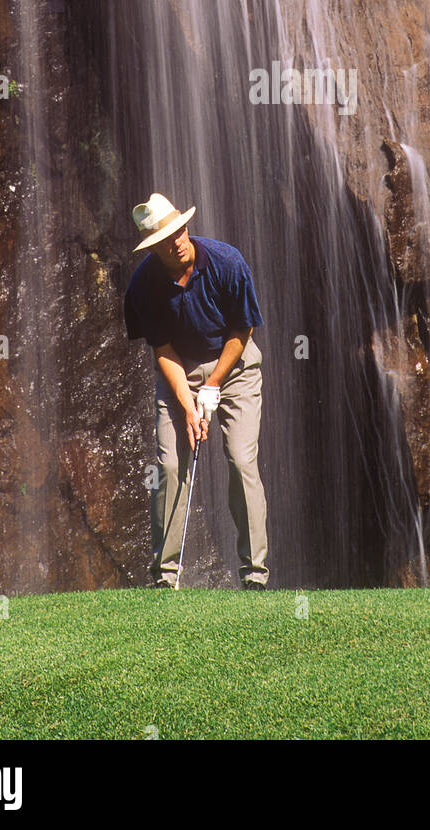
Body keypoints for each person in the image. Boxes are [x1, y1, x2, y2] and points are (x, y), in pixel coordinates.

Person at [123, 193, 269, 590]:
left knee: (241, 460)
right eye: (167, 237)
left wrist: (214, 385)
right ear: (153, 247)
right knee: (170, 466)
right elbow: (162, 349)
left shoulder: (226, 262)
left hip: (234, 367)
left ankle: (254, 574)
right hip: (180, 372)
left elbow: (242, 331)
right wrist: (189, 405)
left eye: (181, 229)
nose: (179, 239)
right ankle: (164, 576)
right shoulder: (143, 285)